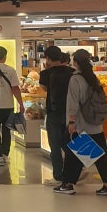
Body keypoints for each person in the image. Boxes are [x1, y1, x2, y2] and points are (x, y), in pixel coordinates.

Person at [55, 48, 107, 196]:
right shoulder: (93, 78)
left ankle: (68, 184)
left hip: (81, 124)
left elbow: (73, 102)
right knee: (100, 155)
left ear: (76, 62)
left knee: (73, 154)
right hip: (96, 124)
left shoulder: (76, 79)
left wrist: (71, 122)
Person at [39, 46, 75, 186]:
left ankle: (58, 176)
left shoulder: (45, 74)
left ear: (47, 58)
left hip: (53, 112)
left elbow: (44, 89)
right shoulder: (72, 72)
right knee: (70, 142)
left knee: (55, 146)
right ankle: (76, 171)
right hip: (71, 112)